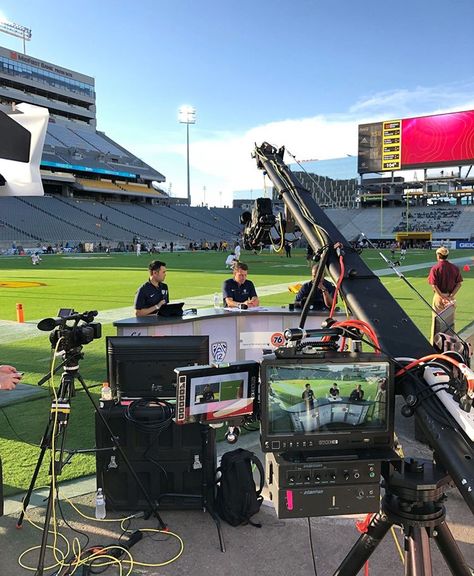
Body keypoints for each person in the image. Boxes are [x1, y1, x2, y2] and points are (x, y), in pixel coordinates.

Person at [428, 247, 463, 343]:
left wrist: (441, 296)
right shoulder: (454, 268)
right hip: (450, 298)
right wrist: (451, 296)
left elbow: (434, 285)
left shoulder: (435, 268)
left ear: (438, 255)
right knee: (449, 322)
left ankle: (435, 344)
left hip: (439, 297)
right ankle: (450, 343)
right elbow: (459, 284)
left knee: (436, 322)